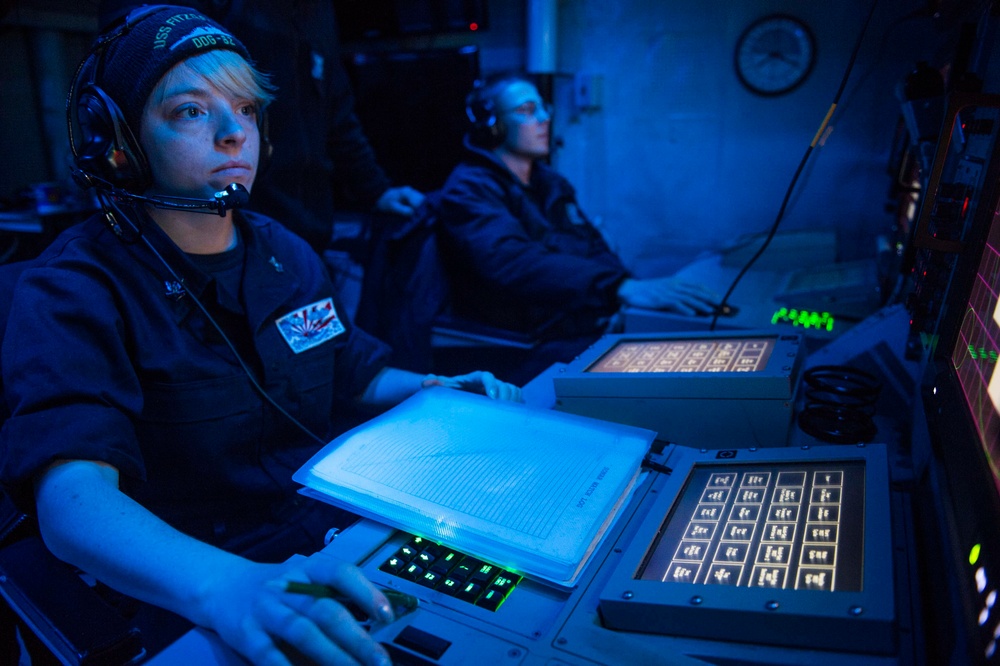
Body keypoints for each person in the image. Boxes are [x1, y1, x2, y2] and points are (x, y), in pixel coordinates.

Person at [0, 8, 518, 665]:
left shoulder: (286, 251)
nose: (232, 134)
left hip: (323, 533)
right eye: (191, 111)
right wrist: (226, 586)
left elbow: (350, 370)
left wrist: (436, 385)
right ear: (119, 140)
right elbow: (72, 502)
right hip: (189, 581)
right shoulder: (75, 287)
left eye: (245, 110)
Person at [434, 73, 721, 381]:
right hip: (523, 344)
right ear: (492, 125)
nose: (544, 119)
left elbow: (592, 244)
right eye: (527, 110)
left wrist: (622, 297)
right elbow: (513, 261)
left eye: (544, 108)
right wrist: (614, 288)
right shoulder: (469, 190)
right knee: (653, 374)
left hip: (576, 326)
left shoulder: (551, 184)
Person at [99, 0, 425, 255]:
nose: (236, 132)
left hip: (305, 234)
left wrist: (376, 190)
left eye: (246, 110)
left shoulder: (318, 12)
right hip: (219, 233)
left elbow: (336, 112)